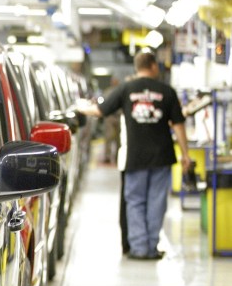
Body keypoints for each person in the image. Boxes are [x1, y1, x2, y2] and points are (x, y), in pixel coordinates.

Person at [78, 50, 191, 260]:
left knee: (135, 201)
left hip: (135, 156)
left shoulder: (126, 89)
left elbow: (100, 111)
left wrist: (80, 108)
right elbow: (178, 125)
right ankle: (151, 246)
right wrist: (186, 154)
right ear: (154, 66)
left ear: (137, 67)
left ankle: (139, 248)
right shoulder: (167, 91)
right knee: (156, 201)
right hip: (162, 156)